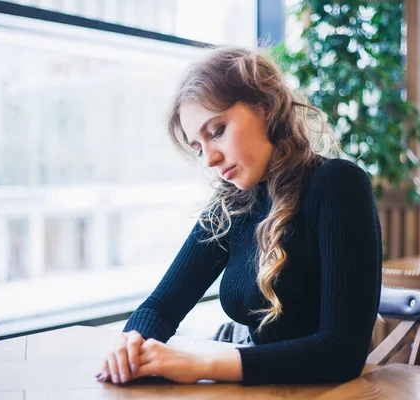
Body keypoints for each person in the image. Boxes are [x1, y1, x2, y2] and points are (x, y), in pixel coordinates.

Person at [96, 46, 382, 386]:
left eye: (216, 131)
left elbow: (342, 353)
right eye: (198, 147)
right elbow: (162, 306)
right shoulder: (232, 203)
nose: (209, 160)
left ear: (265, 107)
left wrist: (202, 364)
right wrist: (132, 343)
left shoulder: (338, 184)